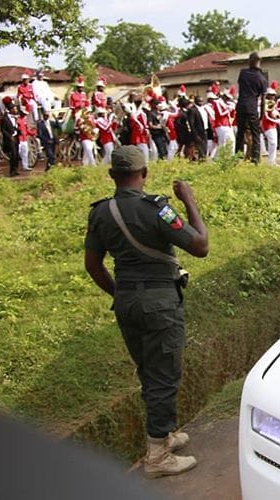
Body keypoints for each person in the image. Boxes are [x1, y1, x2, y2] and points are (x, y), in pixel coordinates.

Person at [84, 145, 209, 479]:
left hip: (126, 303)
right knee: (164, 376)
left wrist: (121, 292)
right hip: (160, 305)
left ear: (112, 175)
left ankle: (163, 434)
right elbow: (200, 246)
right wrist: (189, 200)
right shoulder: (158, 210)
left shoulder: (100, 213)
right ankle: (157, 456)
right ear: (145, 174)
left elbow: (92, 265)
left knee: (148, 370)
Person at [235, 52, 268, 164]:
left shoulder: (242, 73)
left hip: (240, 105)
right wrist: (262, 115)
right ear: (259, 62)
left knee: (240, 132)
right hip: (252, 107)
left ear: (250, 61)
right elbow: (263, 100)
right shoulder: (262, 78)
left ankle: (238, 155)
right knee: (255, 133)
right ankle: (255, 158)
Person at [260, 84, 280, 166]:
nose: (273, 96)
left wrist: (278, 116)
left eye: (274, 95)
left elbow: (274, 112)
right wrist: (276, 121)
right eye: (271, 95)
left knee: (274, 144)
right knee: (272, 143)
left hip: (273, 125)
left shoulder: (272, 103)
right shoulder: (263, 103)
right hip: (267, 125)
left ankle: (272, 161)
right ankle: (270, 161)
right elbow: (266, 116)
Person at [0, 98, 20, 176]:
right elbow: (3, 130)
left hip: (16, 138)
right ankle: (11, 171)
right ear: (11, 109)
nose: (15, 109)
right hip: (10, 139)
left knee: (17, 155)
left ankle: (15, 169)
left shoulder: (14, 117)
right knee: (13, 155)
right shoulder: (4, 118)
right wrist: (9, 136)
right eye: (14, 108)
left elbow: (15, 126)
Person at [16, 107, 35, 172]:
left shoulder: (24, 120)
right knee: (19, 152)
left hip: (24, 139)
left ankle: (25, 166)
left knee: (25, 153)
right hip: (19, 139)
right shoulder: (17, 120)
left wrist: (31, 133)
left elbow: (26, 129)